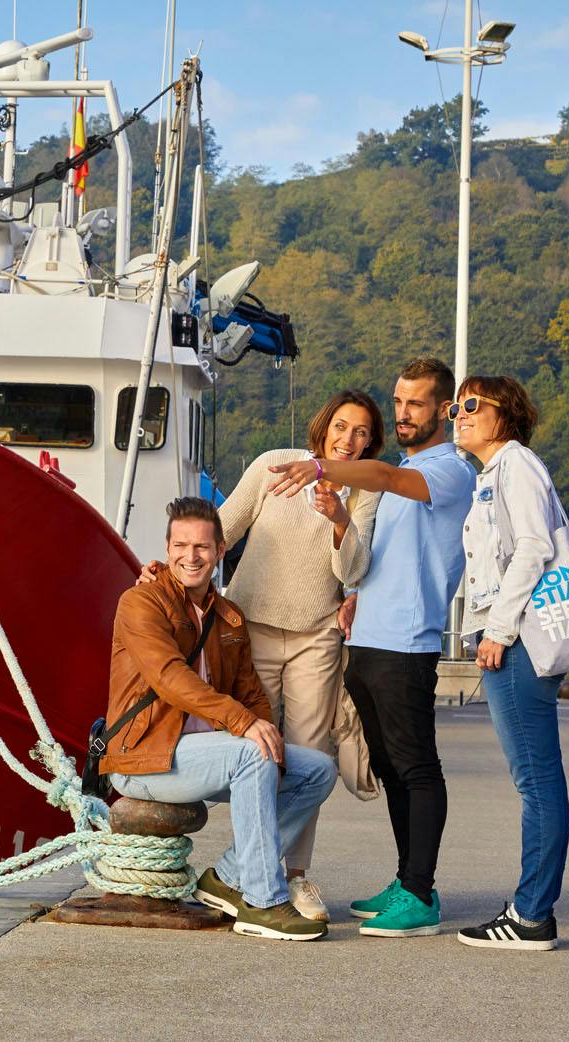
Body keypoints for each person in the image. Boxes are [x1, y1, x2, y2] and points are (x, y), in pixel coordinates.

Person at [137, 390, 385, 921]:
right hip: (248, 630)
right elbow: (222, 527)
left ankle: (292, 874)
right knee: (259, 754)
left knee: (309, 757)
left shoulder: (364, 490)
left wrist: (341, 518)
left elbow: (354, 571)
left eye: (362, 432)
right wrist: (169, 569)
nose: (349, 439)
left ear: (371, 442)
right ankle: (253, 870)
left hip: (317, 635)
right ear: (324, 426)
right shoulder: (274, 465)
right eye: (342, 426)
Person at [267, 357, 475, 938]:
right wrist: (353, 593)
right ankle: (408, 880)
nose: (403, 413)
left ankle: (421, 894)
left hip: (407, 643)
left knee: (417, 766)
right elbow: (374, 554)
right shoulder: (408, 467)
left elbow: (381, 478)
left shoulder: (449, 469)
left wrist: (318, 466)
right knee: (388, 765)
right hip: (367, 639)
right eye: (399, 401)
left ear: (443, 409)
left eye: (416, 404)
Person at [100, 496, 338, 941]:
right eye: (181, 545)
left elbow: (252, 695)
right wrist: (245, 726)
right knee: (251, 751)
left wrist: (269, 741)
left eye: (202, 547)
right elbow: (170, 677)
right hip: (145, 757)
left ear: (220, 549)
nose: (191, 556)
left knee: (317, 770)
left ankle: (227, 877)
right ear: (167, 548)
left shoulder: (228, 617)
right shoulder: (141, 603)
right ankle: (262, 901)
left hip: (208, 756)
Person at [450, 375, 569, 950]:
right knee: (536, 777)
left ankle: (531, 915)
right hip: (510, 637)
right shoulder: (492, 475)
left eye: (472, 404)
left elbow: (534, 547)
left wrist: (497, 629)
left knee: (536, 779)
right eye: (456, 406)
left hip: (519, 639)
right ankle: (531, 907)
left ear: (507, 414)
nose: (460, 413)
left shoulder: (516, 464)